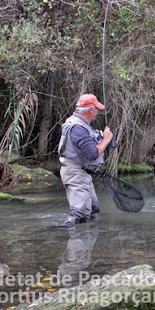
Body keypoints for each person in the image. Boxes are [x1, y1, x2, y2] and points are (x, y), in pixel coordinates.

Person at [58, 93, 113, 227]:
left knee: (94, 211)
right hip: (75, 173)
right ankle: (66, 238)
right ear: (90, 110)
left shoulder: (81, 125)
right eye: (96, 109)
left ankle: (87, 241)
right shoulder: (78, 128)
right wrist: (106, 139)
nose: (97, 112)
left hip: (82, 173)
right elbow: (93, 153)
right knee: (80, 213)